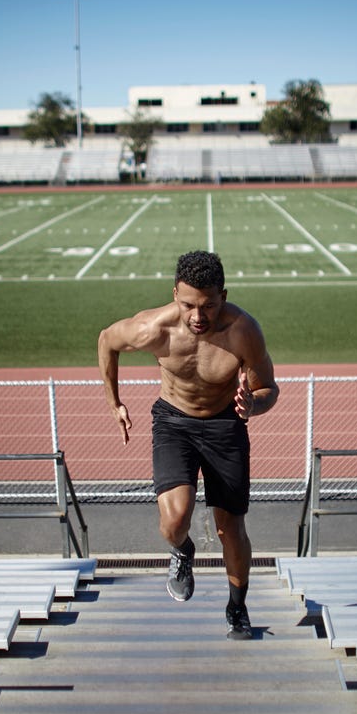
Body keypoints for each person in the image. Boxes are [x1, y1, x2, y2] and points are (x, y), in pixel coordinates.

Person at [97, 250, 279, 640]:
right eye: (188, 305)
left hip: (225, 424)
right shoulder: (154, 328)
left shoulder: (244, 331)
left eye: (209, 306)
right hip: (173, 422)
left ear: (223, 296)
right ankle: (182, 550)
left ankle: (237, 607)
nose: (198, 316)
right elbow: (106, 341)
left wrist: (253, 405)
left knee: (230, 526)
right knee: (173, 521)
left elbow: (269, 388)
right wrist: (114, 403)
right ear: (175, 294)